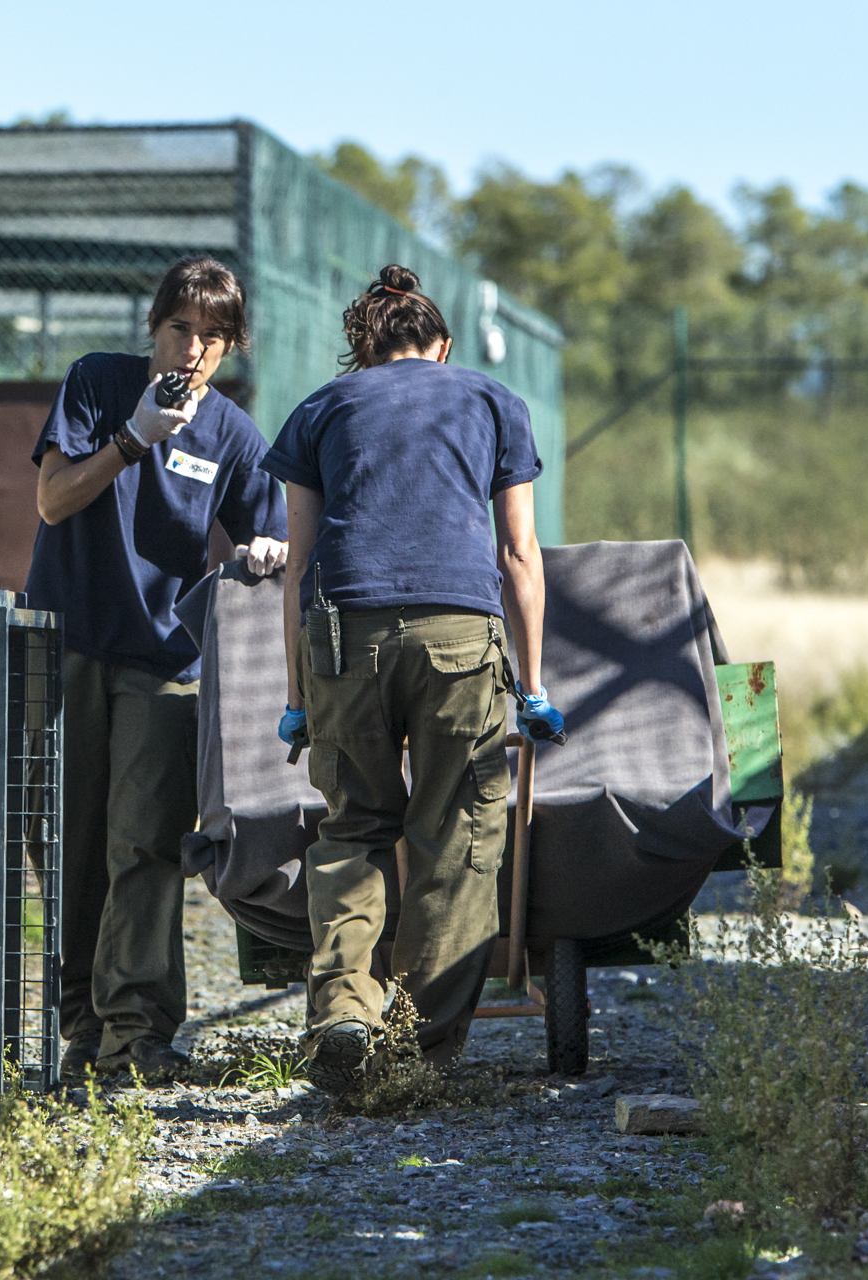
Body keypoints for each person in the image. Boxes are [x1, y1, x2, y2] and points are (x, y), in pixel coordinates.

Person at [261, 264, 565, 1095]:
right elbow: (518, 554)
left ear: (363, 348)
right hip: (457, 633)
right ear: (444, 346)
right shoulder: (490, 400)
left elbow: (296, 567)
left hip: (340, 632)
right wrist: (532, 688)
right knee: (459, 831)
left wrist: (297, 696)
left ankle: (345, 1015)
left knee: (353, 825)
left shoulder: (321, 408)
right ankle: (413, 1049)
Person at [27, 255, 289, 1081]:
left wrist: (266, 549)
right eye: (181, 329)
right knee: (66, 840)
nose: (193, 350)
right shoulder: (99, 383)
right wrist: (131, 439)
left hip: (163, 663)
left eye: (213, 336)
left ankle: (136, 1036)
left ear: (232, 347)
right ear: (154, 328)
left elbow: (270, 536)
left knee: (142, 845)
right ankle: (82, 1031)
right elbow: (53, 499)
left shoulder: (235, 436)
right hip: (65, 639)